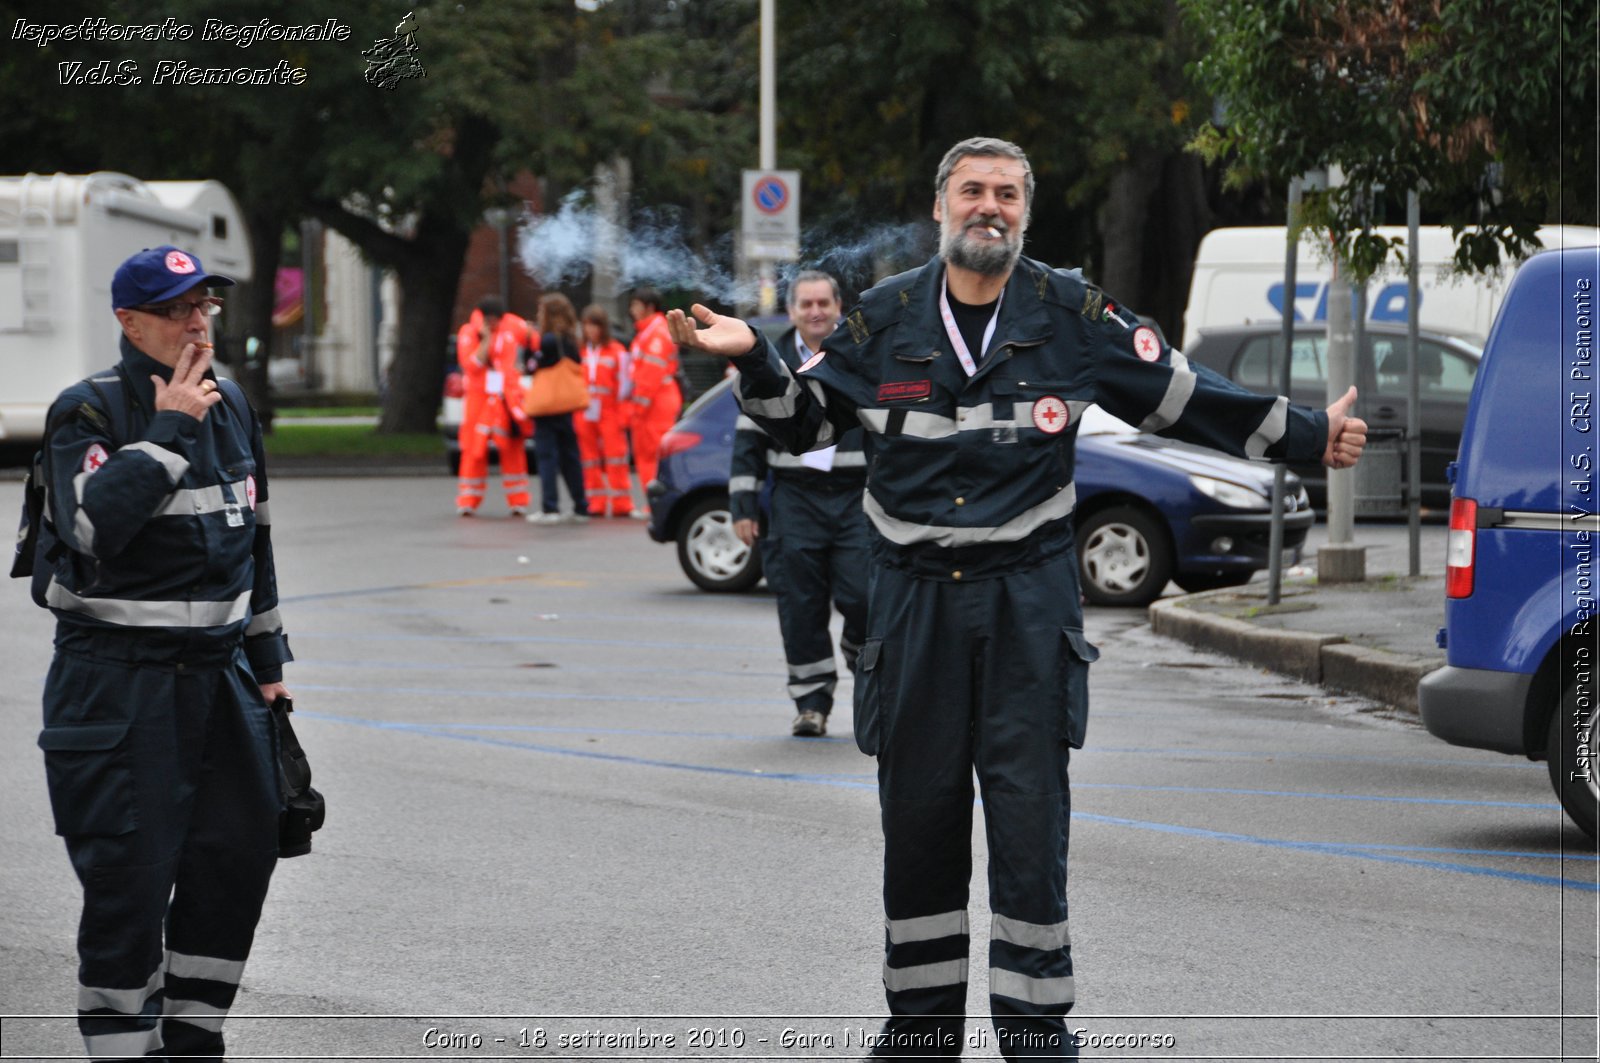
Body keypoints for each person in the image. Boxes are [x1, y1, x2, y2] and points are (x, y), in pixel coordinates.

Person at [668, 137, 1367, 1058]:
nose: (987, 206)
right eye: (972, 191)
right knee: (917, 819)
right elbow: (806, 422)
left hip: (1028, 608)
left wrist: (1310, 434)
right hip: (911, 606)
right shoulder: (880, 320)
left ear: (1024, 214)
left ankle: (1036, 1031)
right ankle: (919, 1030)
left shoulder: (1073, 313)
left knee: (1030, 821)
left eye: (1005, 193)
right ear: (940, 208)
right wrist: (755, 357)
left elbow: (1185, 395)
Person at [34, 245, 295, 1060]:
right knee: (128, 889)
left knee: (233, 865)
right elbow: (90, 527)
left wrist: (271, 668)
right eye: (180, 308)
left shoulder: (235, 404)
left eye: (205, 306)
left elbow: (253, 540)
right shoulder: (86, 411)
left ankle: (190, 1044)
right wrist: (172, 426)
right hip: (116, 689)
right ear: (129, 320)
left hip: (221, 685)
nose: (198, 321)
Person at [729, 270, 869, 738]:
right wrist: (744, 503)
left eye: (823, 304)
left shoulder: (857, 353)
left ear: (838, 306)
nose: (815, 312)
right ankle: (811, 703)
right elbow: (750, 436)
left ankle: (858, 651)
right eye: (806, 305)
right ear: (792, 312)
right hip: (796, 500)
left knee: (868, 596)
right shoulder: (772, 361)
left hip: (856, 498)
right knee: (800, 605)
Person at [455, 295, 534, 516]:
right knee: (473, 449)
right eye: (489, 321)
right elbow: (471, 365)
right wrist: (486, 339)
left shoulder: (512, 325)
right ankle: (468, 500)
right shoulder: (468, 332)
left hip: (506, 397)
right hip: (478, 398)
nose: (494, 325)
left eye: (496, 321)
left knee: (512, 447)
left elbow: (533, 338)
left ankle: (518, 500)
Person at [526, 293, 592, 524]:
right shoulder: (572, 339)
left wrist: (530, 349)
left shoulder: (548, 341)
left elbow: (533, 365)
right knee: (570, 457)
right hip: (566, 406)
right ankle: (581, 506)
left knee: (547, 458)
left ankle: (550, 507)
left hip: (547, 407)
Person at [625, 286, 683, 519]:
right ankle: (654, 502)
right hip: (654, 400)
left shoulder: (655, 332)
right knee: (648, 454)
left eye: (635, 305)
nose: (632, 310)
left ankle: (657, 504)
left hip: (654, 402)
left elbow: (651, 373)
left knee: (653, 454)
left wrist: (638, 406)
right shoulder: (650, 331)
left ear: (648, 307)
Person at [577, 304, 636, 518]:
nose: (591, 331)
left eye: (595, 326)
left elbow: (626, 384)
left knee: (616, 457)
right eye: (587, 326)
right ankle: (596, 502)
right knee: (589, 459)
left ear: (603, 327)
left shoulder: (617, 351)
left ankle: (621, 503)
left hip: (610, 410)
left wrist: (623, 413)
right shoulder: (581, 351)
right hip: (585, 411)